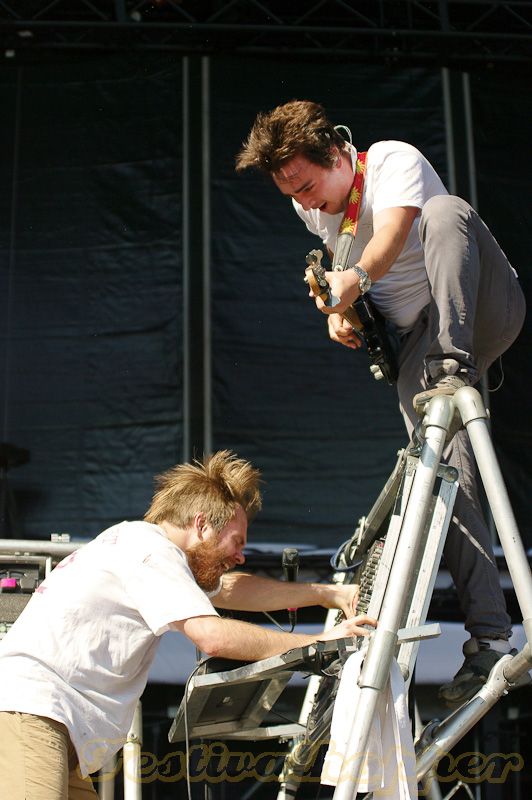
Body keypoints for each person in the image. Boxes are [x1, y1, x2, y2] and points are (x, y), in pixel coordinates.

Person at [235, 100, 527, 707]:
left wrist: (356, 283)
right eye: (293, 193)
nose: (307, 202)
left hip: (479, 309)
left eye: (311, 186)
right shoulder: (310, 207)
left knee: (448, 213)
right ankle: (491, 641)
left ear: (339, 155)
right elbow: (345, 260)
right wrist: (339, 313)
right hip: (414, 343)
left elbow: (392, 233)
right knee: (451, 483)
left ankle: (455, 359)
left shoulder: (394, 161)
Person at [0, 450, 375, 799]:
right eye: (236, 541)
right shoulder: (151, 553)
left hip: (46, 719)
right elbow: (212, 636)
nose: (241, 555)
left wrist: (325, 594)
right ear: (202, 525)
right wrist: (318, 642)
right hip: (32, 714)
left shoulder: (150, 551)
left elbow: (229, 590)